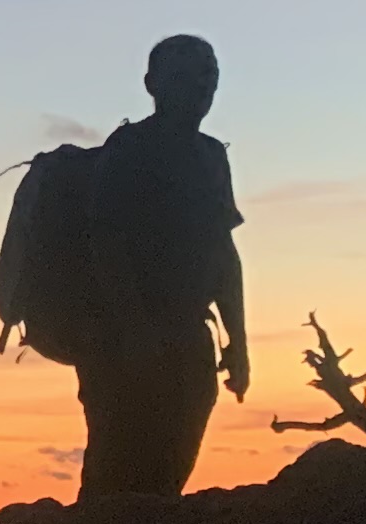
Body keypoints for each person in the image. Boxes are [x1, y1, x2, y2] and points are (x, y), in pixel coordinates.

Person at [77, 34, 249, 499]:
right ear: (152, 84)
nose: (200, 89)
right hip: (118, 343)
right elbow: (105, 241)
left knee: (168, 474)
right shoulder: (128, 148)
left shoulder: (212, 156)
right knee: (114, 476)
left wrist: (239, 342)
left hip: (188, 337)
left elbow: (223, 252)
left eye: (208, 77)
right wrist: (135, 333)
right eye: (185, 78)